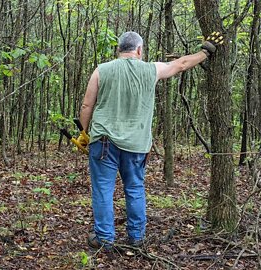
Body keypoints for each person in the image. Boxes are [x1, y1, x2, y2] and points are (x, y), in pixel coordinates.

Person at [77, 31, 224, 250]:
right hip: (137, 144)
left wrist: (84, 132)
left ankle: (104, 240)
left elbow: (87, 106)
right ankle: (136, 238)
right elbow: (181, 64)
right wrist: (205, 51)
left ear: (119, 50)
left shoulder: (102, 70)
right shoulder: (151, 69)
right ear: (139, 50)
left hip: (103, 141)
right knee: (135, 188)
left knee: (103, 190)